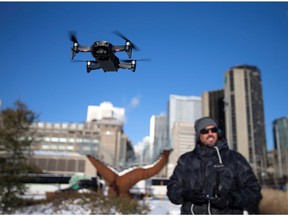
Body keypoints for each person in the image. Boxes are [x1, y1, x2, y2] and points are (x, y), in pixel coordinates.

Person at [167, 117, 261, 214]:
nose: (210, 133)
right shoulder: (185, 160)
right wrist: (185, 194)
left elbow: (254, 191)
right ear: (199, 135)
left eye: (213, 130)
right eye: (205, 131)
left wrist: (231, 199)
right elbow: (172, 189)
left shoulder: (235, 158)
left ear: (218, 133)